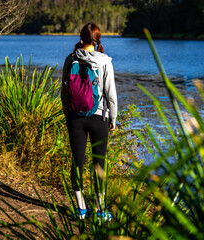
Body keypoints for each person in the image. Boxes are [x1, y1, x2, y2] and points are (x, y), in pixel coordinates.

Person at [61, 22, 117, 220]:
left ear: (81, 38)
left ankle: (81, 208)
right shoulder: (104, 61)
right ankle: (101, 210)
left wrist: (69, 117)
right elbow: (111, 94)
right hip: (99, 118)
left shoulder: (71, 59)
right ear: (98, 39)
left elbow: (64, 93)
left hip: (76, 118)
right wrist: (113, 118)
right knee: (99, 164)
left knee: (77, 162)